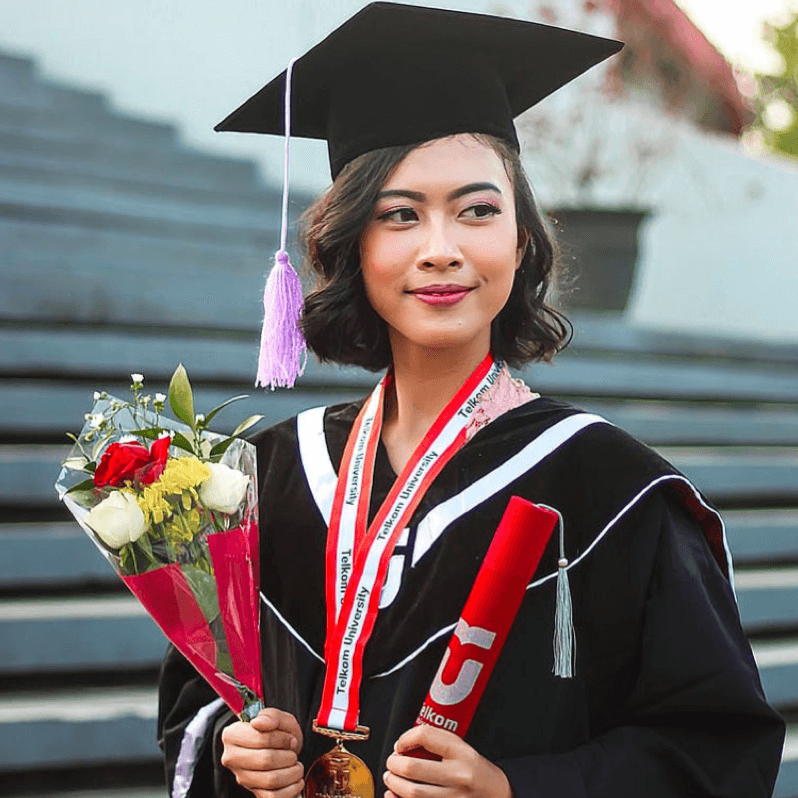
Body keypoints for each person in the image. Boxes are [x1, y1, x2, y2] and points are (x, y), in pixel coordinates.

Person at [158, 4, 786, 798]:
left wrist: (518, 788)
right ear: (353, 245)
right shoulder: (266, 473)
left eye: (478, 210)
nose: (441, 249)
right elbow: (192, 706)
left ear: (521, 239)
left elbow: (717, 751)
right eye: (399, 215)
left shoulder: (613, 490)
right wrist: (236, 747)